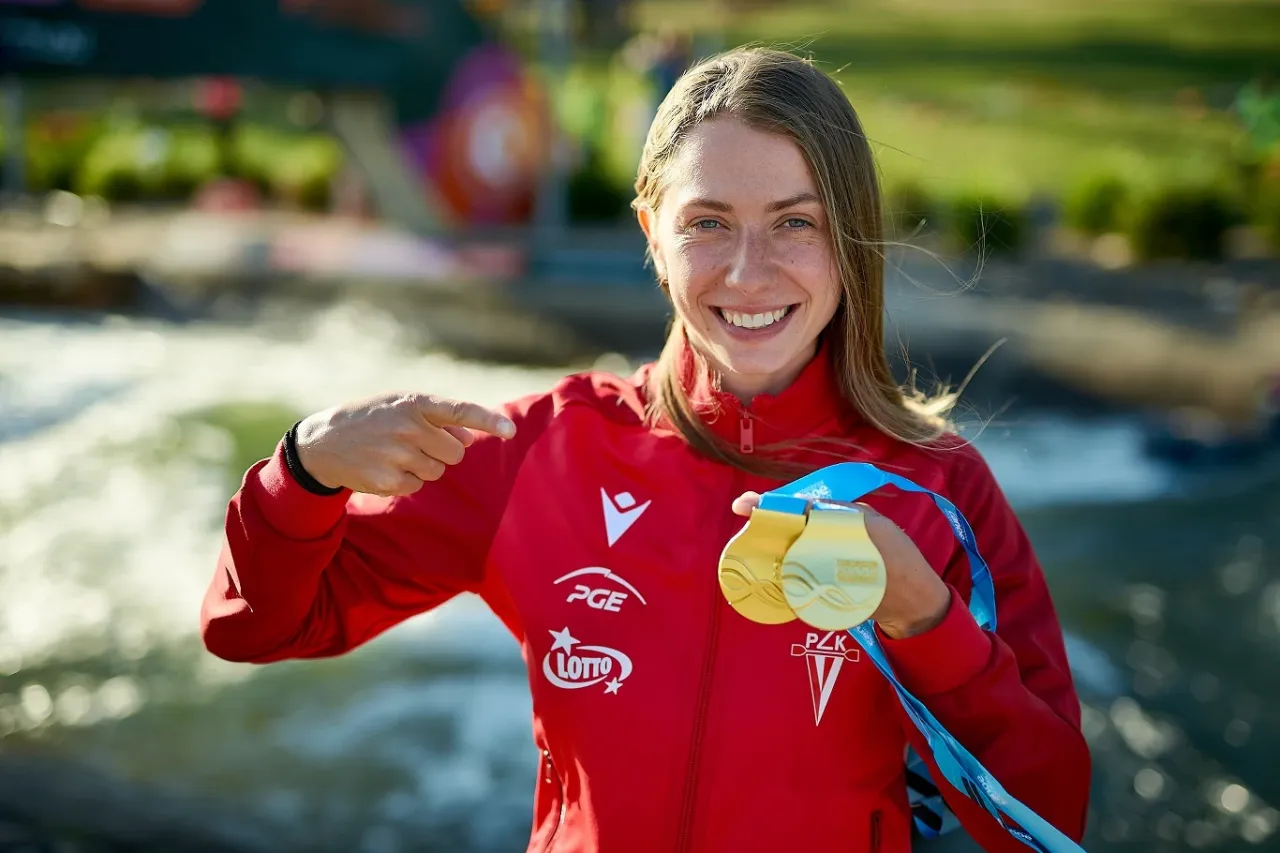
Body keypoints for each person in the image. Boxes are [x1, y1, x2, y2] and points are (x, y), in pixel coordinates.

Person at [201, 47, 1091, 853]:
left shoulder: (938, 492)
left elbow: (1049, 818)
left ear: (851, 239)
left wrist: (924, 621)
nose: (748, 272)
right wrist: (304, 472)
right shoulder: (536, 454)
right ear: (650, 236)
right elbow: (255, 625)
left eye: (795, 223)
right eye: (707, 222)